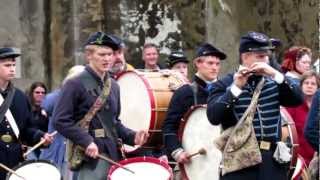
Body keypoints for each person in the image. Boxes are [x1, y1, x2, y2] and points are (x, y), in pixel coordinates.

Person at [207, 31, 303, 180]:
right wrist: (236, 88)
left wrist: (276, 74)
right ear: (245, 56)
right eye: (260, 56)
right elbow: (213, 116)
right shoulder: (225, 83)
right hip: (240, 162)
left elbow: (298, 98)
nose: (265, 59)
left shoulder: (275, 81)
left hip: (272, 161)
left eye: (267, 56)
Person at [53, 32, 149, 180]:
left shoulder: (114, 86)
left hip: (112, 154)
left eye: (110, 54)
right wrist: (86, 141)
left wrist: (133, 137)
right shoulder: (74, 84)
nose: (107, 59)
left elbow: (114, 123)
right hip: (89, 158)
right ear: (89, 55)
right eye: (102, 54)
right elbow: (60, 120)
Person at [162, 43, 226, 164]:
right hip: (193, 161)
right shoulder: (184, 92)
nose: (215, 68)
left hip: (221, 160)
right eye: (210, 63)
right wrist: (177, 151)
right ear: (197, 63)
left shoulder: (226, 91)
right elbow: (169, 127)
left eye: (217, 64)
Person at [0, 47, 53, 180]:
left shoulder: (19, 97)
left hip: (14, 158)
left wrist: (40, 136)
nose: (12, 68)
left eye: (13, 65)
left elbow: (26, 128)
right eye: (7, 65)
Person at [40, 65, 85, 180]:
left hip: (74, 148)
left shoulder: (85, 97)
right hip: (56, 146)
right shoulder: (57, 95)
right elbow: (46, 105)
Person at [285, 71, 319, 165]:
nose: (309, 86)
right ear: (301, 85)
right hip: (297, 160)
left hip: (315, 158)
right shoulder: (292, 106)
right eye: (306, 83)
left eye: (313, 84)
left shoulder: (318, 108)